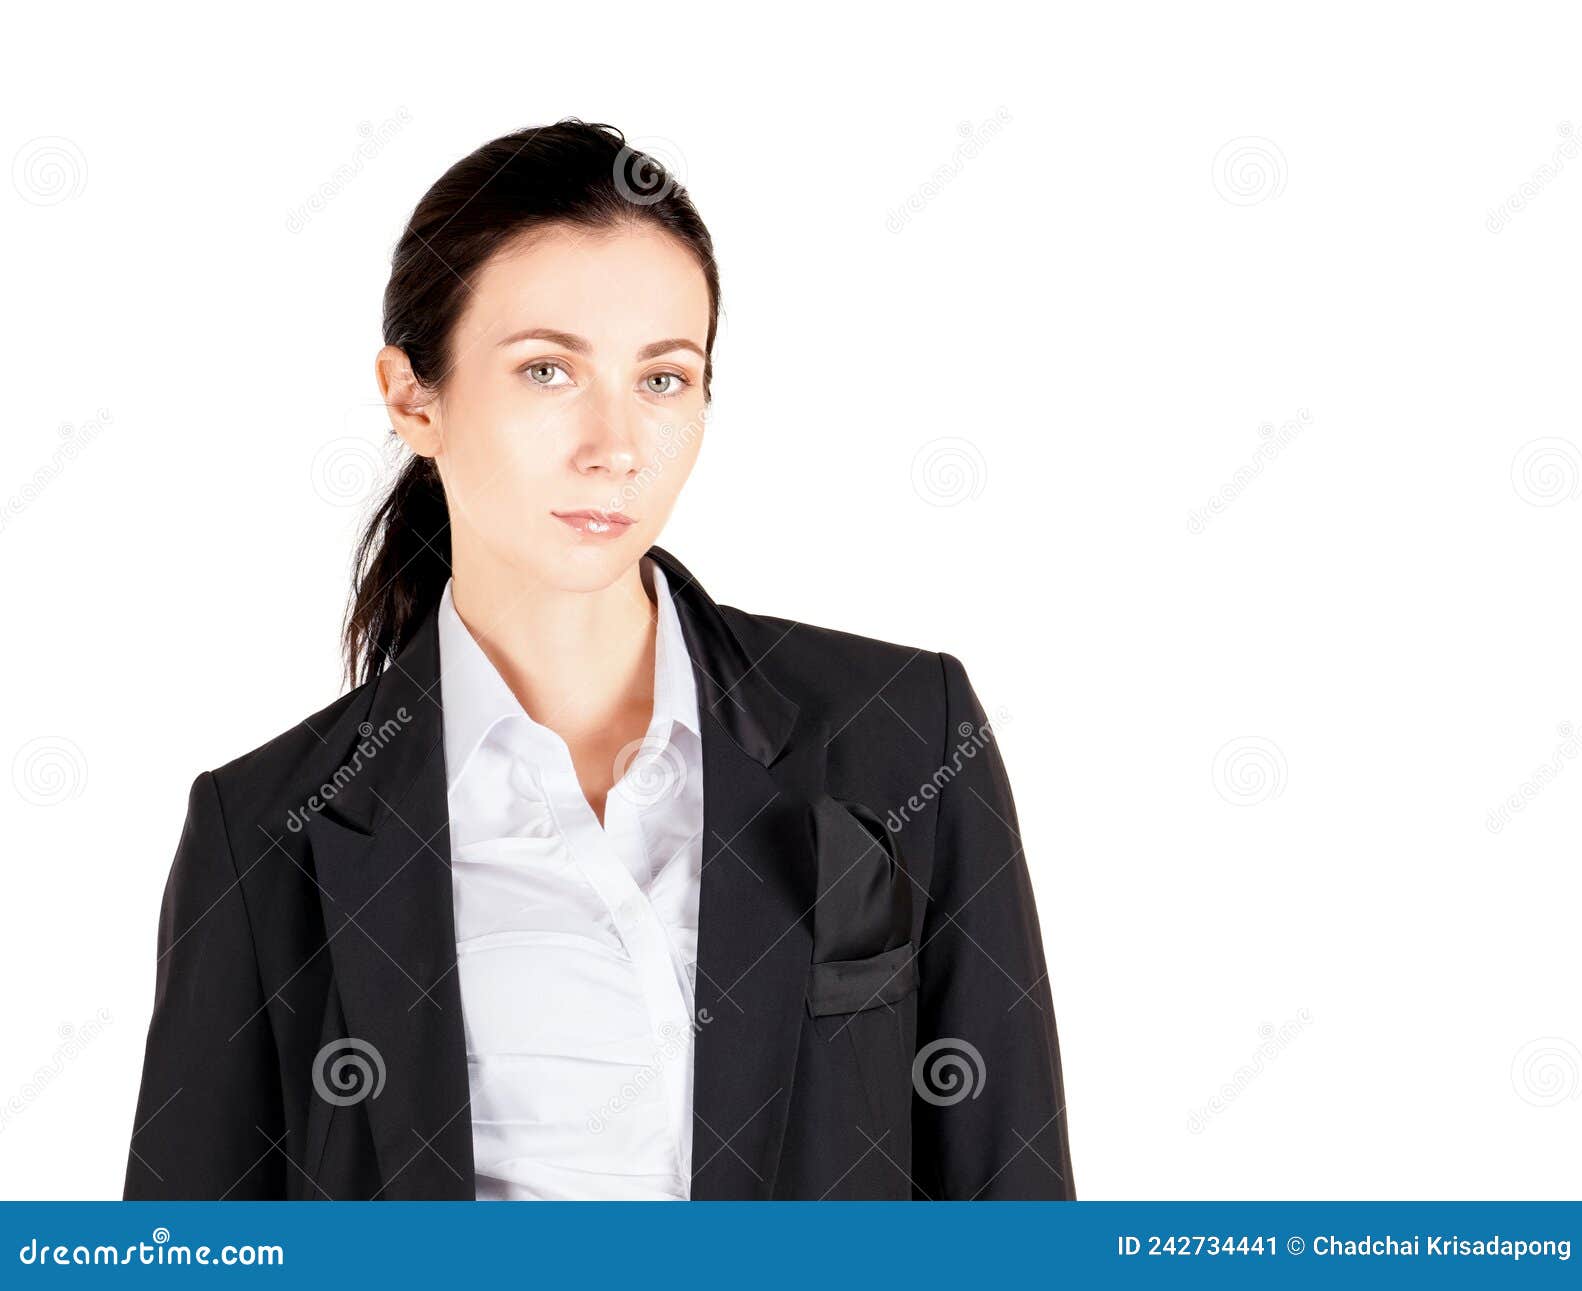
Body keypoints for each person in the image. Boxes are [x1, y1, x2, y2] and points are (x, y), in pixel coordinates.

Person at [123, 119, 1074, 1201]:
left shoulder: (905, 735)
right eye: (546, 370)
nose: (614, 443)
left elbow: (1016, 1204)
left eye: (663, 379)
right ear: (409, 396)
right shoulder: (266, 834)